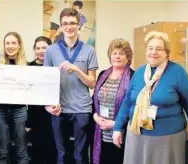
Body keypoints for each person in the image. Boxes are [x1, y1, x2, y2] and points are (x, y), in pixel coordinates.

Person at [113, 31, 188, 164]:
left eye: (159, 49)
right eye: (150, 48)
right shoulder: (139, 72)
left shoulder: (177, 72)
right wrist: (117, 128)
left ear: (166, 52)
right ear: (146, 50)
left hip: (168, 138)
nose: (154, 52)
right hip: (137, 135)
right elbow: (127, 102)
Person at [44, 8, 98, 164]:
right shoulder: (51, 50)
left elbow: (92, 83)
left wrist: (78, 70)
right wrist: (48, 105)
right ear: (60, 26)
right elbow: (46, 82)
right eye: (65, 23)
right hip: (59, 109)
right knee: (61, 155)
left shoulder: (89, 50)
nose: (69, 27)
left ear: (79, 24)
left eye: (73, 23)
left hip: (82, 109)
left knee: (80, 155)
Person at [92, 38, 134, 164]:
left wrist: (115, 124)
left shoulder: (134, 77)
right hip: (101, 131)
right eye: (114, 53)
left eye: (121, 53)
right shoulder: (103, 74)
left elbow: (135, 108)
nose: (117, 56)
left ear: (128, 57)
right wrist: (95, 116)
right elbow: (94, 100)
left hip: (122, 133)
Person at [0, 32, 29, 164]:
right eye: (7, 43)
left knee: (21, 151)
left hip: (20, 110)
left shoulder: (27, 66)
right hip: (1, 111)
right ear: (3, 46)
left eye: (13, 43)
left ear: (19, 45)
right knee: (3, 151)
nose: (10, 46)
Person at [27, 36, 57, 164]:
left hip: (53, 114)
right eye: (38, 48)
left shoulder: (55, 66)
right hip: (35, 115)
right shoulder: (29, 67)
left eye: (44, 47)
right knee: (37, 150)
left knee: (52, 149)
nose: (41, 51)